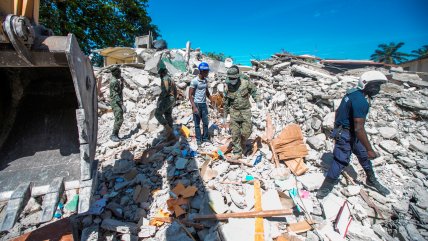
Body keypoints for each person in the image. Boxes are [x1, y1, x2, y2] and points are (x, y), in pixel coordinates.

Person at [317, 71, 390, 199]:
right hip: (346, 134)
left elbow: (339, 111)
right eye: (375, 85)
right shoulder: (360, 100)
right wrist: (370, 149)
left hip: (350, 132)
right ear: (365, 84)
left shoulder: (352, 94)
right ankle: (325, 187)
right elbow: (359, 127)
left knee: (363, 155)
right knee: (340, 160)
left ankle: (371, 179)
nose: (377, 89)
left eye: (379, 86)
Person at [223, 65, 262, 159]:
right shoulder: (227, 86)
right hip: (234, 111)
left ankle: (242, 143)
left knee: (247, 132)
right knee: (235, 133)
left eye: (234, 78)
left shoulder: (245, 83)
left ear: (237, 76)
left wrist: (258, 101)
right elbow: (226, 102)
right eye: (230, 78)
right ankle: (237, 152)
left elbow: (254, 91)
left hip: (245, 111)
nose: (232, 80)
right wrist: (224, 116)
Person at [189, 62, 211, 145]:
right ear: (201, 71)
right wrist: (194, 107)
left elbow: (207, 92)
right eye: (206, 71)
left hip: (204, 104)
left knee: (205, 122)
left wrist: (211, 99)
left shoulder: (205, 80)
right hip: (197, 104)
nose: (208, 72)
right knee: (197, 123)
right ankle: (199, 139)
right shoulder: (194, 81)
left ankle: (205, 138)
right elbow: (190, 95)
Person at [154, 61, 177, 139]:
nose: (159, 75)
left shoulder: (165, 78)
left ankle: (169, 129)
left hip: (168, 98)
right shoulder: (171, 78)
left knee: (157, 114)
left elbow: (166, 90)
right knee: (167, 114)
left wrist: (160, 99)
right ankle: (171, 135)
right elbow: (175, 90)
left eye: (160, 73)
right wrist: (174, 100)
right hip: (172, 99)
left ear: (161, 73)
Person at [109, 65, 124, 142]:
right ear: (115, 72)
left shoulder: (115, 80)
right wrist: (122, 105)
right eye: (119, 72)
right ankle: (114, 135)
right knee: (119, 118)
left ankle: (116, 135)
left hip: (117, 102)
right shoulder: (114, 81)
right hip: (116, 102)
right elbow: (115, 95)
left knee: (119, 118)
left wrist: (122, 83)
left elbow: (119, 91)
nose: (120, 73)